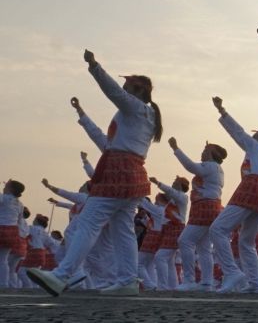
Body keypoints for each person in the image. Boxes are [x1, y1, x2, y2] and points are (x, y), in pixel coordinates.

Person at [27, 49, 163, 296]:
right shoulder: (137, 116)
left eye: (127, 86)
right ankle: (127, 280)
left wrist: (94, 66)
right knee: (123, 230)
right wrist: (81, 115)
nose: (123, 89)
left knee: (87, 224)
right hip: (129, 173)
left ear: (139, 90)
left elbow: (113, 92)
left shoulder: (137, 109)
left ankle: (61, 275)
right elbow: (104, 141)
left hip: (119, 173)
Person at [209, 96, 258, 294]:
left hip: (252, 187)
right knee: (246, 241)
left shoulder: (256, 147)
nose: (253, 136)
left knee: (218, 229)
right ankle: (256, 282)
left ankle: (232, 273)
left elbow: (238, 133)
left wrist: (222, 111)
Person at [169, 137, 225, 291]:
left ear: (211, 153)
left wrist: (176, 149)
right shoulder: (216, 168)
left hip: (204, 207)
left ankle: (189, 280)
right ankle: (207, 282)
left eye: (204, 151)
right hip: (210, 207)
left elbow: (191, 166)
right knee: (204, 247)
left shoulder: (211, 166)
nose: (201, 153)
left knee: (185, 241)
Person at [151, 176, 189, 290]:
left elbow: (171, 192)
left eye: (175, 181)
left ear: (181, 185)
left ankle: (162, 286)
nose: (173, 183)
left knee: (160, 257)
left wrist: (158, 182)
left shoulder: (182, 197)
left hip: (176, 228)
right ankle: (173, 286)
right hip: (169, 229)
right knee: (169, 261)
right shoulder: (174, 199)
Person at [0, 180, 26, 288]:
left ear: (10, 189)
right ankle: (4, 283)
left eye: (6, 186)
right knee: (3, 259)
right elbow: (20, 222)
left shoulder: (3, 198)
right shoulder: (20, 204)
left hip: (1, 228)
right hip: (13, 231)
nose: (3, 187)